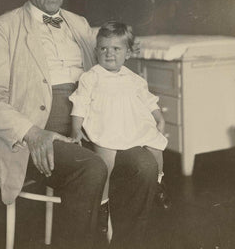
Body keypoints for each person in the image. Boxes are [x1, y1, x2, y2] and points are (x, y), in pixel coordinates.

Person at [0, 0, 158, 249]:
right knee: (91, 167)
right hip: (37, 138)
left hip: (95, 129)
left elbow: (108, 71)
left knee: (143, 164)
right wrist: (34, 133)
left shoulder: (80, 24)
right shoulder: (2, 28)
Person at [69, 21, 170, 217]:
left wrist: (160, 118)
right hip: (105, 125)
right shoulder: (91, 77)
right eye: (104, 48)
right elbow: (80, 103)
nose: (109, 53)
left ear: (128, 53)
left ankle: (158, 183)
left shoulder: (134, 78)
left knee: (157, 148)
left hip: (133, 124)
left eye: (116, 49)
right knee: (105, 164)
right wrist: (76, 129)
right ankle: (103, 205)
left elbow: (149, 100)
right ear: (96, 51)